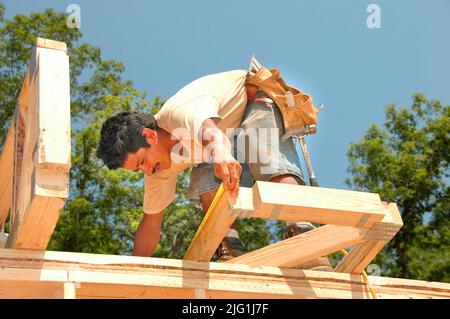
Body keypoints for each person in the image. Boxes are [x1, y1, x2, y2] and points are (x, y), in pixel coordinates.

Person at [97, 70, 332, 271]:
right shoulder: (159, 169)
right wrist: (135, 271)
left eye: (141, 162)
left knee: (258, 142)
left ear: (149, 136)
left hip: (255, 104)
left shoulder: (180, 111)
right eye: (139, 170)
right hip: (229, 141)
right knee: (203, 176)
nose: (146, 170)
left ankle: (302, 232)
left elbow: (211, 133)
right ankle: (230, 246)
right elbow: (151, 222)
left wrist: (220, 152)